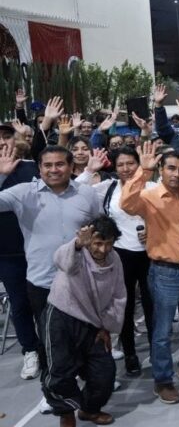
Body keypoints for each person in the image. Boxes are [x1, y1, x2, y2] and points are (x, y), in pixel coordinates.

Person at [0, 144, 101, 413]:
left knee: (84, 338)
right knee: (49, 343)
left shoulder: (87, 194)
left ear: (70, 167)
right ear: (40, 168)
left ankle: (89, 386)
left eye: (59, 164)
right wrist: (1, 175)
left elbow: (102, 227)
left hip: (81, 279)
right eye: (48, 165)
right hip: (42, 282)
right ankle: (53, 390)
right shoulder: (23, 193)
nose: (54, 170)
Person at [120, 142, 179, 404]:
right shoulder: (149, 198)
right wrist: (143, 171)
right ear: (161, 170)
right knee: (162, 331)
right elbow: (126, 204)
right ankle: (163, 381)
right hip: (164, 273)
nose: (177, 173)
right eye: (171, 168)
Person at [75, 147, 156, 377]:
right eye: (121, 164)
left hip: (150, 254)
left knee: (152, 306)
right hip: (120, 255)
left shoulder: (152, 188)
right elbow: (77, 189)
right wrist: (90, 169)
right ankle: (130, 353)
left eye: (131, 163)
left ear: (139, 164)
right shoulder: (107, 188)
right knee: (125, 306)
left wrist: (153, 229)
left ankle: (156, 350)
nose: (126, 168)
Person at [41, 217, 126, 427]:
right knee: (59, 371)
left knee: (105, 373)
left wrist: (105, 326)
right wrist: (78, 244)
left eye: (109, 243)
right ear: (89, 240)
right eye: (98, 243)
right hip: (61, 317)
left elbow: (118, 295)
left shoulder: (115, 260)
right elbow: (62, 261)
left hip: (94, 324)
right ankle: (66, 413)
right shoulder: (77, 252)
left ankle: (89, 410)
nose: (103, 249)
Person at [0, 123, 41, 380]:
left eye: (7, 137)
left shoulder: (32, 168)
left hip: (39, 249)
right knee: (19, 304)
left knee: (50, 302)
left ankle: (55, 348)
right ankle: (30, 350)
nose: (3, 143)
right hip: (7, 252)